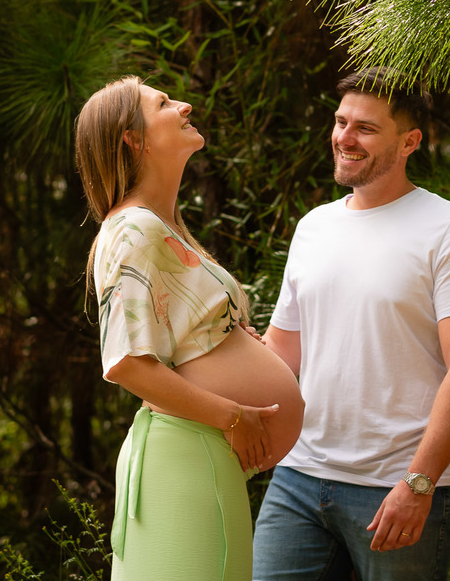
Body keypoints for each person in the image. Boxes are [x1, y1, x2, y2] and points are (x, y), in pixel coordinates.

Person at [252, 67, 450, 581]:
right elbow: (280, 356)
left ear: (410, 141)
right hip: (299, 476)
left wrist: (420, 482)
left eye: (365, 128)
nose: (344, 137)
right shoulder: (313, 227)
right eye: (341, 122)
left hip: (399, 485)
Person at [75, 75, 304, 581]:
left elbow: (182, 342)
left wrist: (238, 342)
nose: (184, 105)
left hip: (197, 454)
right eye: (162, 103)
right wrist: (232, 416)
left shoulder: (159, 227)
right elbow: (128, 364)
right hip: (189, 453)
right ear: (133, 138)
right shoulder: (134, 228)